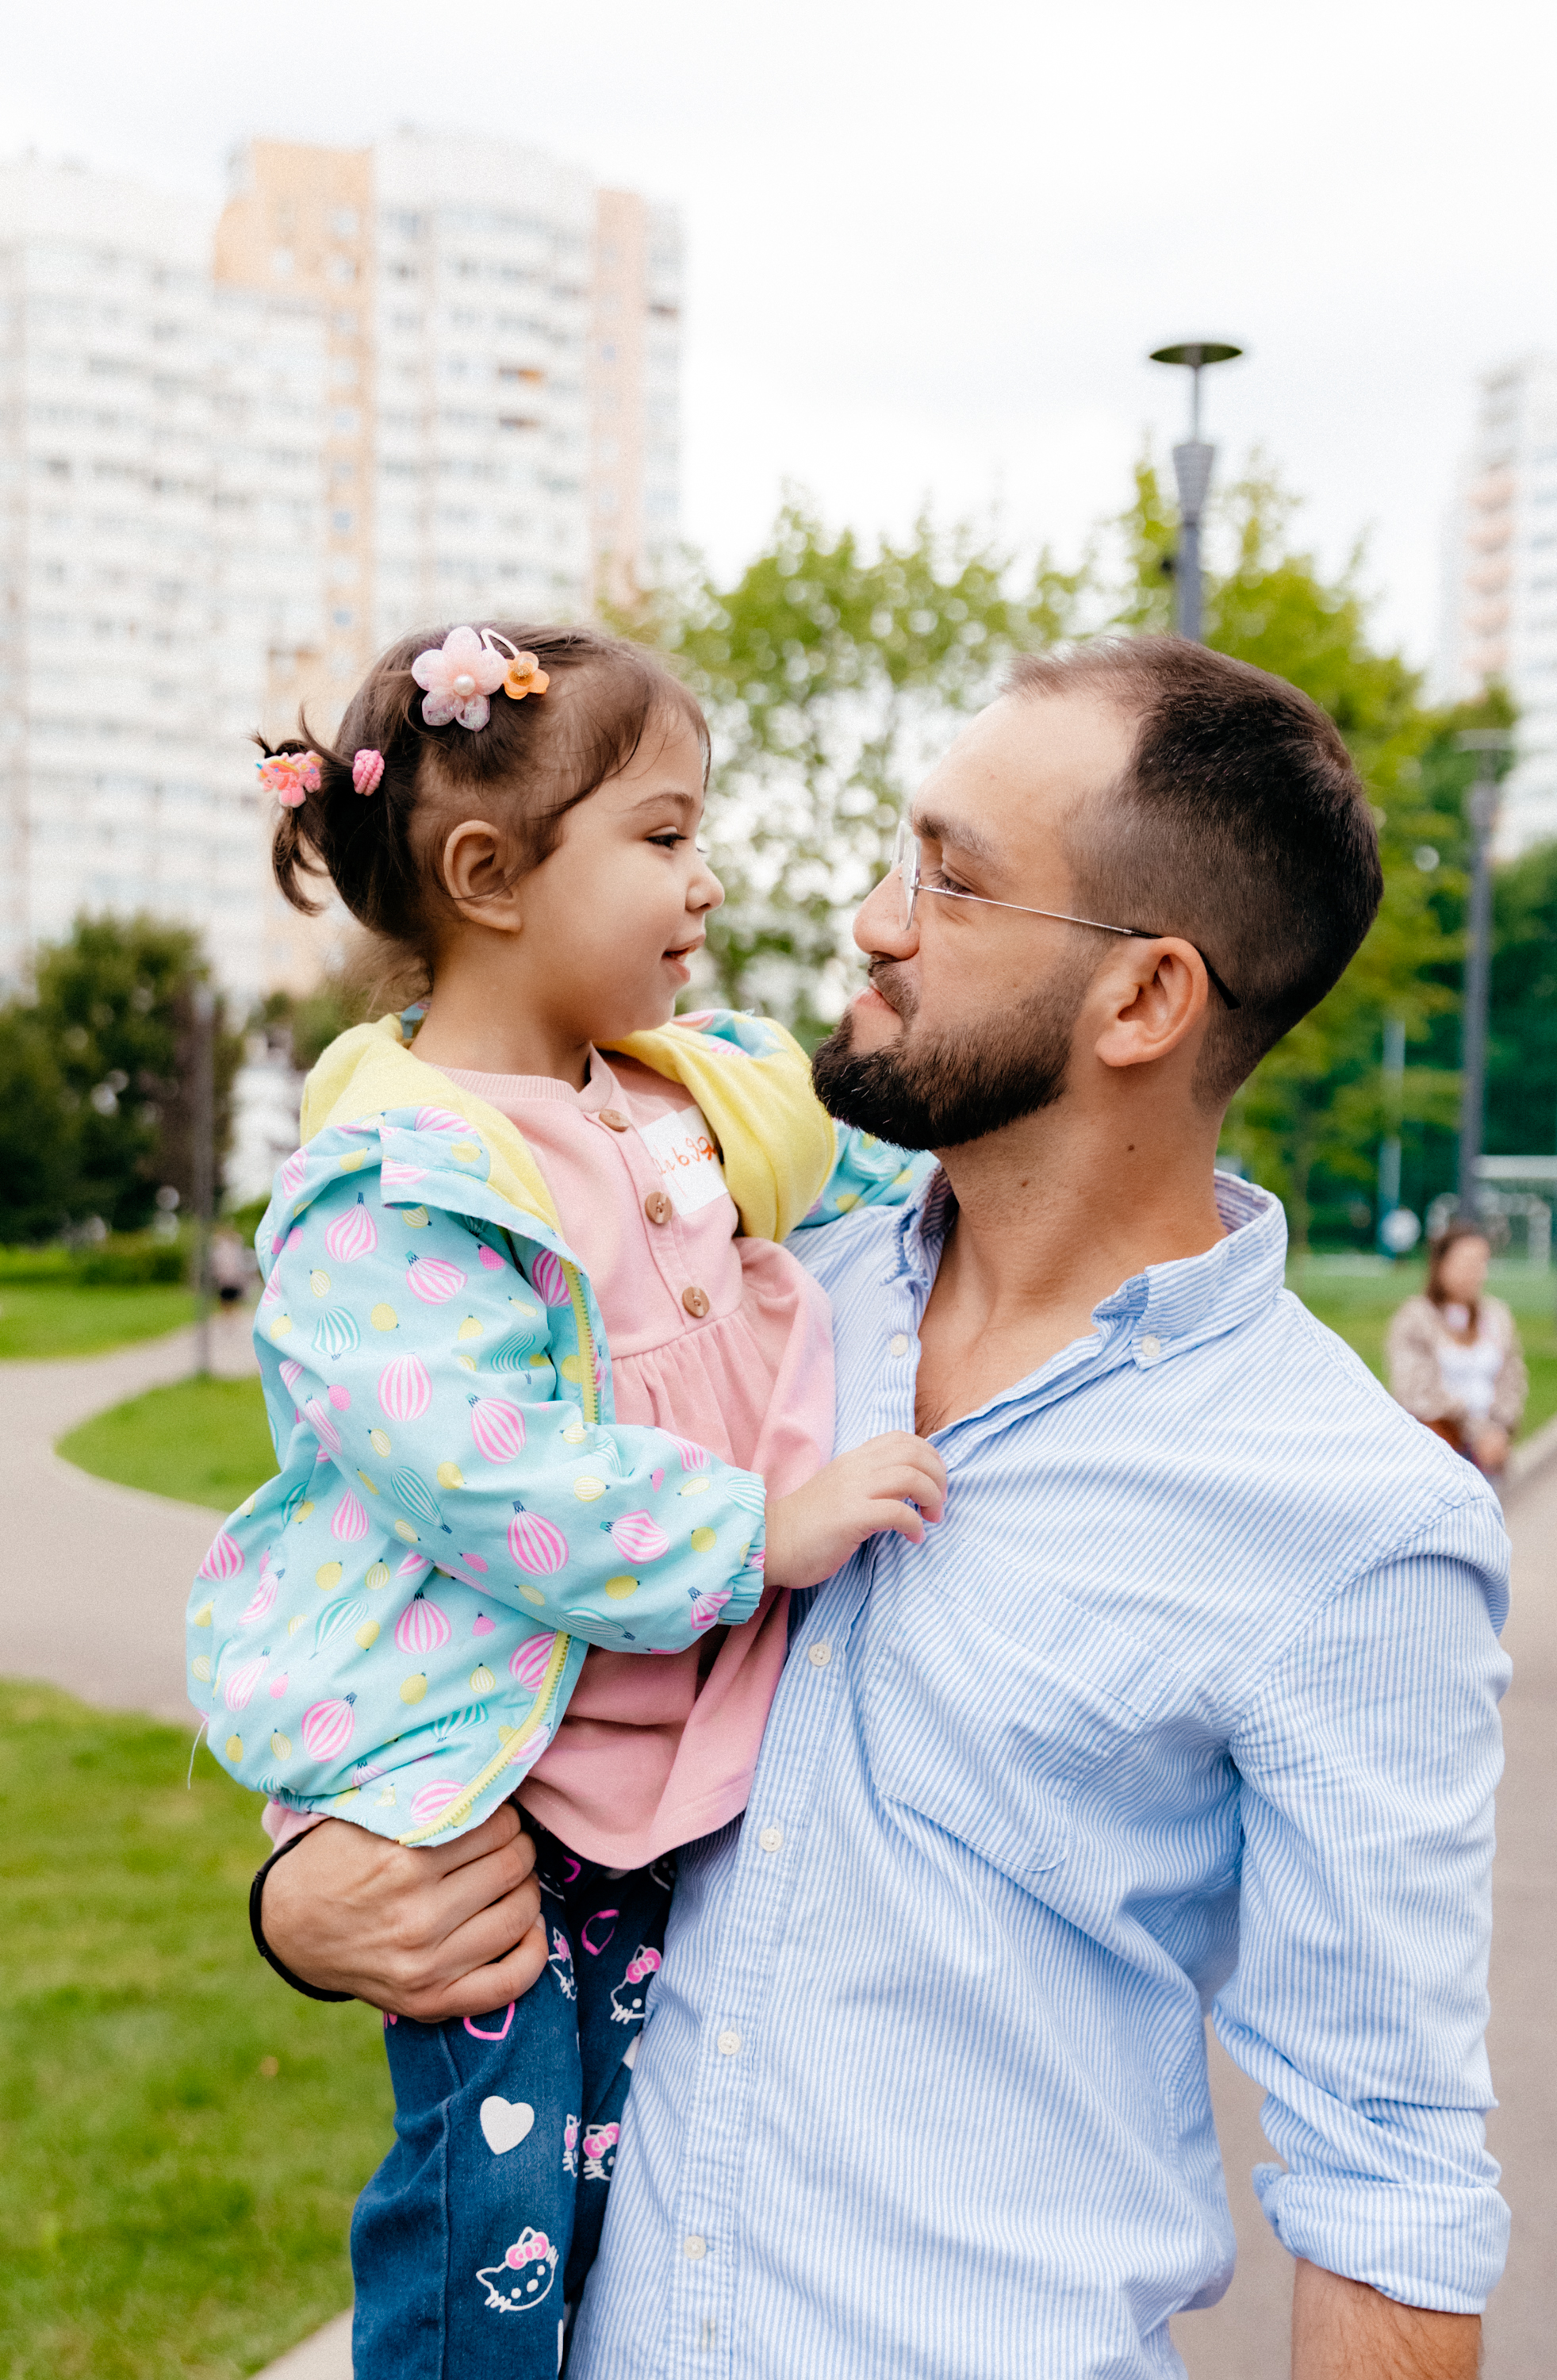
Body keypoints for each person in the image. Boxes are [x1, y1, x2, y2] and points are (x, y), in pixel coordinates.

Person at [257, 637, 1511, 2380]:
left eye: (949, 875)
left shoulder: (1352, 1523)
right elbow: (439, 1565)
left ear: (1143, 1001)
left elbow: (1388, 2189)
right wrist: (308, 1888)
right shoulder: (731, 1302)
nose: (868, 917)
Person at [187, 621, 942, 2380]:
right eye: (666, 838)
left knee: (636, 2184)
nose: (709, 881)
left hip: (639, 1784)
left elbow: (890, 1150)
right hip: (478, 1796)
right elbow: (487, 1470)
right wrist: (762, 1534)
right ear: (488, 876)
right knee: (496, 2216)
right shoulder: (392, 1182)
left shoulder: (677, 1102)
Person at [1386, 1223, 1527, 1476]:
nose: (1475, 1272)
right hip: (1438, 1450)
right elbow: (1416, 1391)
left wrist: (1500, 1429)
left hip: (1489, 1451)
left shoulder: (1497, 1317)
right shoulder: (1415, 1319)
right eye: (1465, 1262)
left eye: (1481, 1263)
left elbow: (1512, 1379)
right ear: (1441, 1265)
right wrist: (1476, 1432)